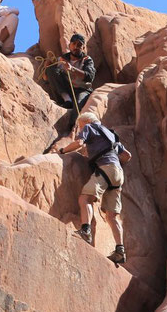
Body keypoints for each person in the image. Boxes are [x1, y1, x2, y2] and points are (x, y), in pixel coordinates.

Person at [56, 112, 131, 264]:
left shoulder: (89, 127)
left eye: (80, 126)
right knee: (111, 216)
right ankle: (120, 250)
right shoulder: (111, 135)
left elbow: (79, 143)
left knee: (85, 198)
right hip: (118, 174)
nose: (80, 129)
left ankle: (85, 230)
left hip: (106, 168)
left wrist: (62, 151)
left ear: (85, 122)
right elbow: (127, 155)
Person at [46, 34, 96, 123]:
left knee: (78, 107)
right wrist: (47, 66)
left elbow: (89, 76)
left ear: (83, 47)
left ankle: (72, 129)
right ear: (69, 46)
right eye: (74, 44)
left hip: (82, 90)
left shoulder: (87, 60)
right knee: (51, 69)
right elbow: (46, 78)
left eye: (79, 45)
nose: (76, 47)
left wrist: (72, 69)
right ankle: (67, 100)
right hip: (67, 89)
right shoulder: (62, 59)